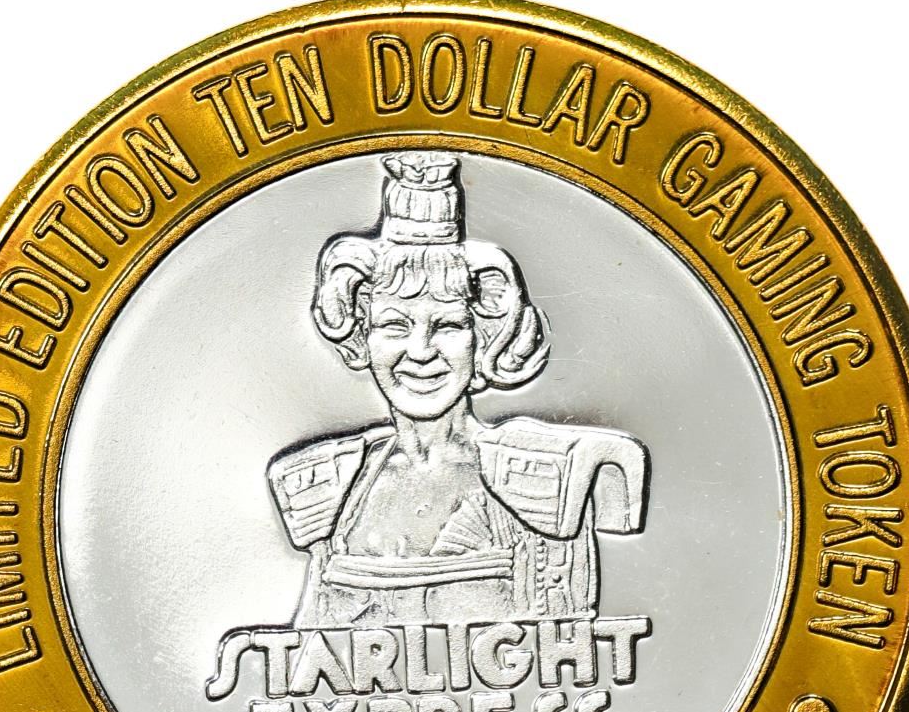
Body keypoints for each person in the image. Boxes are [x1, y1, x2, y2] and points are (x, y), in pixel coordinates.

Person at [268, 152, 648, 628]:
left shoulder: (545, 480)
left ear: (482, 338)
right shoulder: (328, 486)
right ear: (363, 336)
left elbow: (568, 651)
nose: (420, 351)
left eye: (447, 325)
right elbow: (307, 650)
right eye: (394, 325)